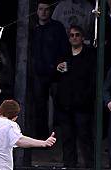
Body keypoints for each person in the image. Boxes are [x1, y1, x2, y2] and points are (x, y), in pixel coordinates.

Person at [54, 25, 95, 169]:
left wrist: (87, 98)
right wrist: (57, 68)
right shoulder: (63, 54)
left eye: (77, 35)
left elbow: (92, 80)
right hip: (65, 105)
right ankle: (69, 168)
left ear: (83, 37)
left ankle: (90, 167)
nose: (74, 37)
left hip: (83, 105)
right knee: (67, 138)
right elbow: (55, 78)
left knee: (85, 137)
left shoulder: (90, 55)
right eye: (72, 35)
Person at [30, 0, 69, 139]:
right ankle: (41, 138)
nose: (43, 12)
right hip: (39, 74)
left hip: (56, 74)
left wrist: (59, 64)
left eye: (46, 9)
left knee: (61, 105)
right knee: (39, 107)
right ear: (37, 10)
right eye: (41, 9)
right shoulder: (32, 28)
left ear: (51, 11)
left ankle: (62, 136)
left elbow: (64, 49)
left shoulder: (57, 27)